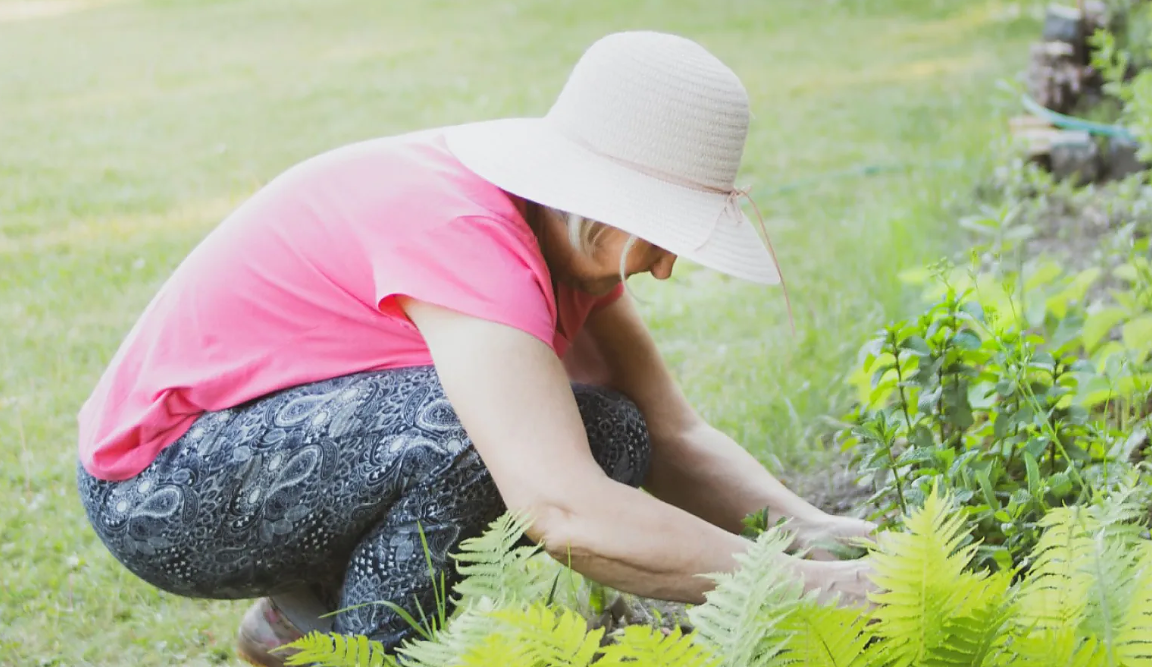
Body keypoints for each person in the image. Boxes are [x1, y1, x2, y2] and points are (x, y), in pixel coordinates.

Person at [75, 30, 878, 666]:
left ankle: (300, 622)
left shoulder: (563, 239)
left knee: (615, 432)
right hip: (157, 483)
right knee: (471, 442)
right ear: (599, 204)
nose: (667, 267)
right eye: (665, 234)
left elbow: (675, 435)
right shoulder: (466, 238)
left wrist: (834, 540)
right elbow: (561, 507)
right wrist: (815, 589)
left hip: (262, 450)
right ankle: (354, 657)